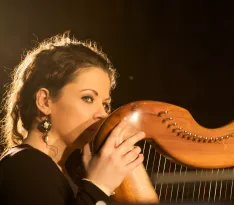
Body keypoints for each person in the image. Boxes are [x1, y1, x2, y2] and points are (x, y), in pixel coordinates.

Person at [0, 32, 158, 205]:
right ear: (44, 101)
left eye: (105, 104)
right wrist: (99, 186)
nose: (103, 114)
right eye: (88, 98)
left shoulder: (64, 172)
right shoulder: (26, 166)